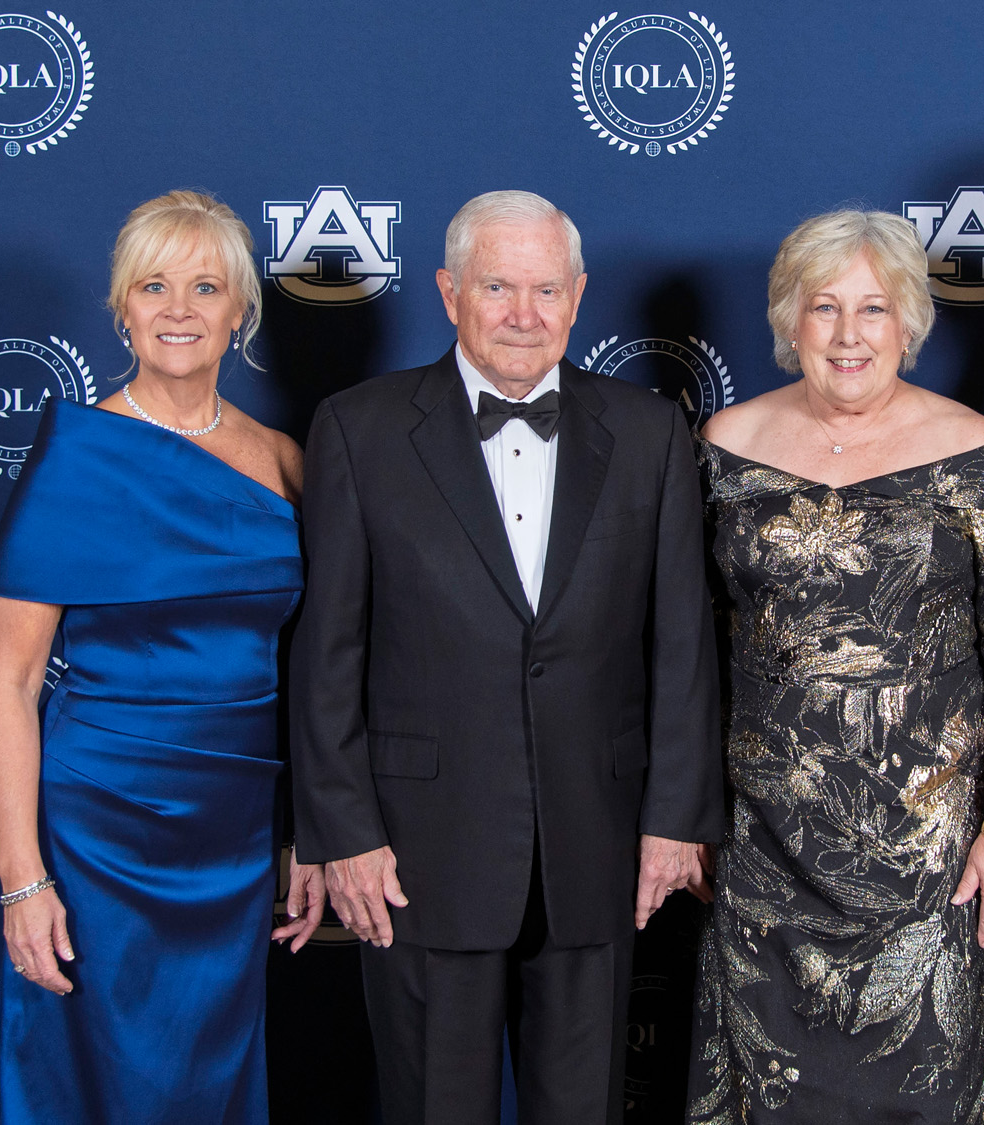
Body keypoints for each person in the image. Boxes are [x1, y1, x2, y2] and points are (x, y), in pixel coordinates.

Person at [288, 189, 722, 1125]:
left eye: (545, 289)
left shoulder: (650, 433)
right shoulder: (359, 429)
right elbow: (326, 653)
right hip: (415, 850)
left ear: (578, 296)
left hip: (597, 845)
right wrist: (343, 832)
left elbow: (682, 643)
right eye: (496, 287)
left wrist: (675, 816)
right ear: (448, 292)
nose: (524, 314)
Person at [689, 209, 984, 1124]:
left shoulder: (979, 455)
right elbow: (687, 645)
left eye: (874, 308)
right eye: (825, 308)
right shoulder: (722, 449)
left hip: (933, 861)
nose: (849, 334)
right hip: (762, 851)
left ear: (909, 321)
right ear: (791, 322)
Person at [0, 189, 325, 1123]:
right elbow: (7, 684)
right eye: (155, 286)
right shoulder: (76, 459)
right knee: (89, 1075)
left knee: (209, 1071)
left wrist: (304, 833)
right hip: (97, 828)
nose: (179, 310)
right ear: (121, 305)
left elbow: (313, 674)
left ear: (240, 311)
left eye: (205, 287)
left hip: (237, 828)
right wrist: (22, 876)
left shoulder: (287, 461)